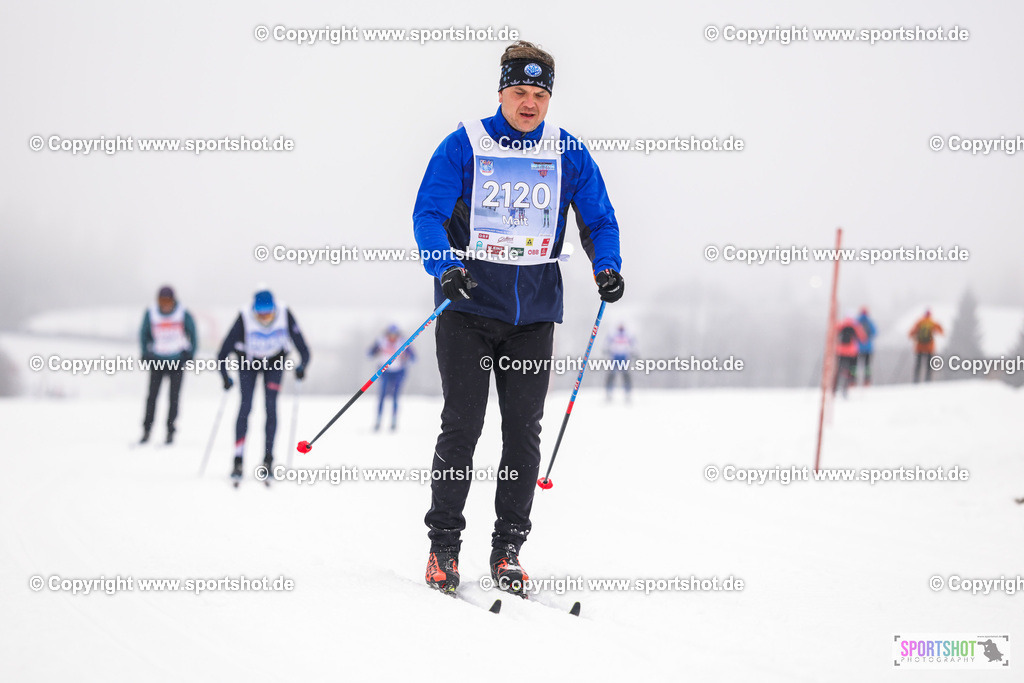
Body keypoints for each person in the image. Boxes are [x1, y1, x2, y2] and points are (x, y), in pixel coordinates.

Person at [413, 41, 623, 596]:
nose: (529, 104)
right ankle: (444, 549)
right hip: (468, 309)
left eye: (539, 94)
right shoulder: (465, 145)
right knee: (463, 426)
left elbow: (599, 219)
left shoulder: (566, 152)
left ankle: (508, 549)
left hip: (533, 316)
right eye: (519, 92)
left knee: (522, 434)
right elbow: (429, 213)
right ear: (501, 91)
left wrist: (608, 267)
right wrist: (444, 264)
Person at [217, 289, 310, 483]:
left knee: (270, 407)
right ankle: (238, 459)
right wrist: (225, 376)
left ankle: (268, 460)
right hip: (248, 363)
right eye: (260, 312)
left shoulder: (284, 313)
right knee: (246, 407)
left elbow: (303, 347)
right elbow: (223, 352)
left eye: (268, 312)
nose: (265, 317)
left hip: (274, 363)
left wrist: (302, 366)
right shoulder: (244, 317)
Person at [139, 285, 197, 444]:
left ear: (173, 300)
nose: (164, 304)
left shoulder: (183, 312)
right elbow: (143, 334)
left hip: (177, 360)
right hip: (157, 360)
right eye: (161, 300)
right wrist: (145, 353)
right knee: (152, 397)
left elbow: (193, 333)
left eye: (167, 300)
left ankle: (170, 430)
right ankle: (147, 430)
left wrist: (190, 354)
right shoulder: (151, 312)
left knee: (174, 398)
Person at [368, 324, 415, 431]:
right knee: (382, 395)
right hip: (384, 371)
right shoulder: (381, 341)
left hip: (398, 372)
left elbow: (413, 358)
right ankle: (378, 420)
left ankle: (393, 421)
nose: (392, 337)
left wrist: (406, 356)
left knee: (395, 396)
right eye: (390, 335)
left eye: (395, 335)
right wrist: (377, 351)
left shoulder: (402, 342)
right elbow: (369, 354)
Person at [833, 312, 867, 398]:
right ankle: (848, 385)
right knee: (851, 368)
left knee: (839, 368)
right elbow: (863, 338)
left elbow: (833, 334)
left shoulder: (840, 324)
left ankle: (834, 387)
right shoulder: (855, 325)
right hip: (852, 352)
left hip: (840, 351)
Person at [909, 310, 943, 383]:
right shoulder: (932, 322)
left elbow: (911, 333)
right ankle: (928, 380)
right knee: (929, 365)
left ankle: (916, 379)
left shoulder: (919, 322)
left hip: (919, 347)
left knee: (918, 364)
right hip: (929, 347)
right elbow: (941, 331)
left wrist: (913, 337)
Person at [605, 324, 635, 401]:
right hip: (615, 358)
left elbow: (632, 345)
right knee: (612, 376)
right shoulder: (615, 335)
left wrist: (633, 352)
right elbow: (608, 344)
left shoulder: (626, 335)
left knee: (625, 376)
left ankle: (627, 393)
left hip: (623, 358)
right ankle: (609, 392)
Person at [853, 307, 877, 386]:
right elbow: (875, 332)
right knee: (867, 365)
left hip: (857, 348)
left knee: (854, 365)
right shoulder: (869, 322)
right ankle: (867, 381)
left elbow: (852, 334)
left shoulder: (856, 322)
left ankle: (853, 380)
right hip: (868, 347)